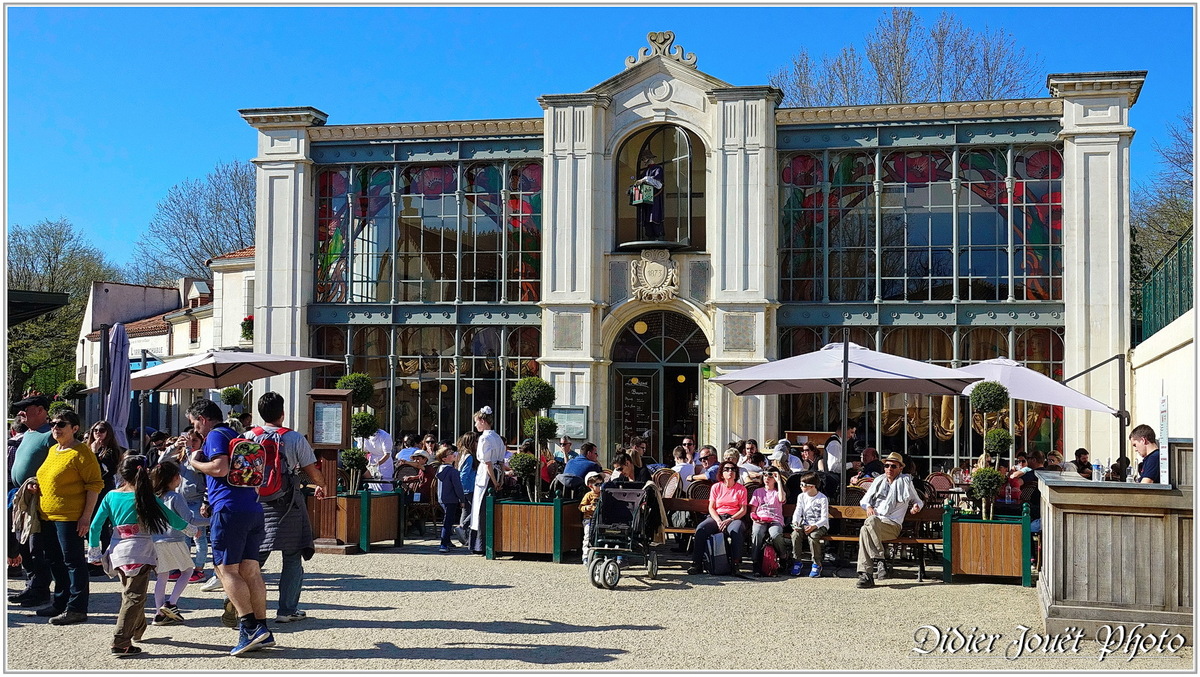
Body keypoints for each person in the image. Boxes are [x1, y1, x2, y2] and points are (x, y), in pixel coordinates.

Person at [186, 398, 274, 655]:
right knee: (251, 570)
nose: (195, 430)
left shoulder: (214, 435)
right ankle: (262, 627)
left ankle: (249, 627)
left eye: (194, 424)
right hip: (253, 507)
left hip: (228, 509)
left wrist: (194, 462)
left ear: (203, 418)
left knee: (226, 570)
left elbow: (219, 467)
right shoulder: (236, 434)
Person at [87, 455, 188, 657]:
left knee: (131, 593)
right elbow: (173, 520)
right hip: (141, 551)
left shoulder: (111, 496)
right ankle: (121, 641)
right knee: (134, 596)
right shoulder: (146, 497)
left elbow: (95, 526)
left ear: (121, 474)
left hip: (117, 551)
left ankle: (137, 631)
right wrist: (192, 529)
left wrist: (94, 551)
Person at [248, 392, 327, 625]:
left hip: (256, 504)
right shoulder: (293, 438)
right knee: (292, 557)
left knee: (254, 557)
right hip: (288, 503)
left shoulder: (249, 436)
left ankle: (243, 604)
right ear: (282, 413)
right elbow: (311, 470)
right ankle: (287, 609)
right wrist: (321, 486)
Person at [29, 409, 104, 625]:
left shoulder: (82, 453)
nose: (55, 428)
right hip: (48, 515)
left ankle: (77, 608)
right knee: (54, 560)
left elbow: (95, 485)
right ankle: (60, 602)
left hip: (70, 516)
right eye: (53, 424)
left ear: (75, 428)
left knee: (73, 562)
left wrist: (86, 518)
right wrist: (36, 485)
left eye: (61, 424)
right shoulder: (54, 450)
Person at [8, 396, 55, 609]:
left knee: (37, 545)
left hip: (38, 498)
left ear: (40, 410)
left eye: (25, 409)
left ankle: (41, 589)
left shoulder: (50, 435)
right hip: (21, 497)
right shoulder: (28, 433)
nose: (21, 414)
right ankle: (32, 584)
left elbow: (55, 467)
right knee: (23, 542)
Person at [856, 452, 923, 589]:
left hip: (892, 526)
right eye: (886, 465)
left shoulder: (905, 482)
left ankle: (871, 569)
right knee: (865, 529)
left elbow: (918, 501)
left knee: (869, 524)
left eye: (893, 466)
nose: (889, 469)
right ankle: (872, 569)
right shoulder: (878, 480)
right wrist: (868, 506)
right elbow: (864, 501)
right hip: (875, 525)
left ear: (900, 468)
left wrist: (916, 507)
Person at [147, 461, 199, 626]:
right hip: (175, 540)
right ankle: (171, 603)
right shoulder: (176, 497)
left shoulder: (152, 498)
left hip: (156, 541)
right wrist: (212, 521)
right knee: (188, 570)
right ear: (175, 478)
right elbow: (189, 520)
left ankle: (158, 613)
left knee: (162, 576)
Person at [686, 461, 748, 576]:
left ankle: (736, 565)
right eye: (727, 469)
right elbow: (711, 507)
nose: (730, 472)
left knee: (736, 530)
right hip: (717, 517)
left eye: (733, 469)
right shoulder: (716, 487)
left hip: (734, 518)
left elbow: (743, 510)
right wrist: (718, 520)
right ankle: (696, 564)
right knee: (701, 529)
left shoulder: (741, 489)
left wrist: (730, 519)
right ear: (721, 473)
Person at [469, 406, 506, 555]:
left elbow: (487, 463)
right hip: (496, 474)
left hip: (487, 477)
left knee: (481, 509)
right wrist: (500, 478)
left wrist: (494, 481)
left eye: (477, 421)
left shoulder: (484, 438)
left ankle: (481, 544)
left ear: (483, 421)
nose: (476, 425)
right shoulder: (497, 437)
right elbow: (501, 462)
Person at [789, 471, 830, 577]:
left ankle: (817, 563)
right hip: (805, 524)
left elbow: (824, 519)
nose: (801, 487)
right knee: (795, 535)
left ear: (811, 486)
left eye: (803, 485)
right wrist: (795, 523)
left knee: (813, 536)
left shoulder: (822, 498)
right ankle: (797, 561)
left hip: (819, 525)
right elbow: (798, 512)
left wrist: (814, 526)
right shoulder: (801, 497)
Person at [749, 468, 787, 577]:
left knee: (775, 534)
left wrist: (779, 481)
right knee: (757, 532)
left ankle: (783, 556)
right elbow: (753, 510)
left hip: (775, 519)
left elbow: (781, 498)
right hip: (761, 519)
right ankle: (755, 562)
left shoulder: (777, 492)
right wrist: (754, 516)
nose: (767, 478)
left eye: (770, 477)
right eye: (765, 476)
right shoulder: (758, 491)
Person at [435, 445, 465, 553]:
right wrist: (462, 499)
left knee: (448, 519)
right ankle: (443, 544)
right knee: (448, 522)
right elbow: (458, 487)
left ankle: (447, 541)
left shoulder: (440, 469)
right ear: (444, 458)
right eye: (451, 454)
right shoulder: (453, 471)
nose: (454, 455)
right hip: (451, 499)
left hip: (442, 498)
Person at [632, 147, 664, 240]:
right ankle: (649, 236)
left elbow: (659, 185)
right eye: (642, 159)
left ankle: (658, 236)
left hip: (655, 199)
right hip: (646, 200)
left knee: (655, 217)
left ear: (650, 158)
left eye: (644, 159)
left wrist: (644, 179)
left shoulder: (658, 169)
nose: (643, 161)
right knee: (647, 219)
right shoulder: (645, 172)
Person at [455, 431, 477, 546]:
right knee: (474, 510)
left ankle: (464, 535)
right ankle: (462, 527)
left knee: (466, 510)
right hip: (469, 487)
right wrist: (462, 487)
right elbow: (464, 474)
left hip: (465, 488)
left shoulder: (462, 454)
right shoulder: (470, 457)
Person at [579, 471, 604, 564]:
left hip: (599, 519)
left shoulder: (603, 493)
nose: (600, 486)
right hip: (589, 519)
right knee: (588, 537)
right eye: (597, 484)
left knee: (599, 536)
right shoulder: (588, 495)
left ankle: (598, 555)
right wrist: (587, 507)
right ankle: (585, 556)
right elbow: (581, 506)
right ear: (590, 486)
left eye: (601, 484)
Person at [362, 425, 394, 492]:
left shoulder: (385, 436)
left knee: (384, 485)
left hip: (385, 464)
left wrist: (378, 463)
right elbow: (364, 451)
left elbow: (387, 454)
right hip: (372, 462)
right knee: (372, 484)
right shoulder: (365, 436)